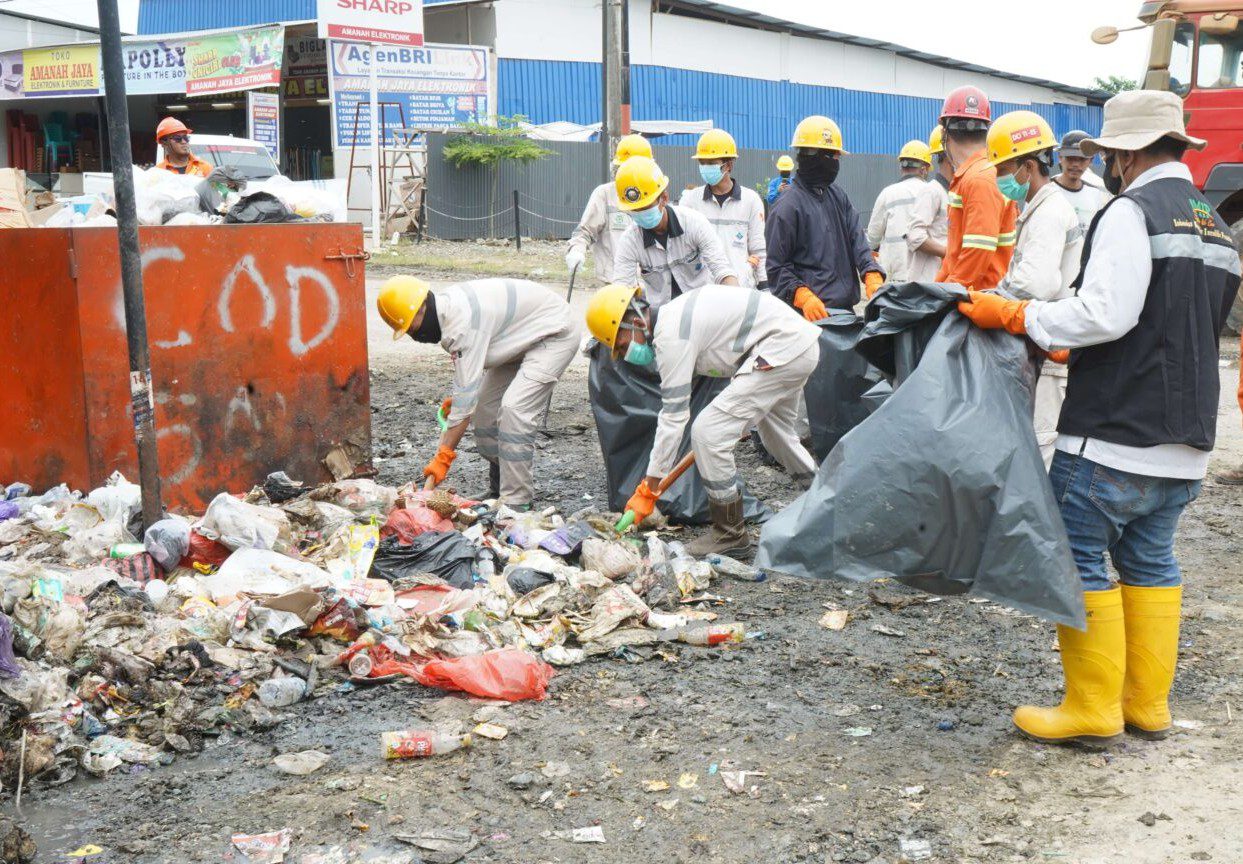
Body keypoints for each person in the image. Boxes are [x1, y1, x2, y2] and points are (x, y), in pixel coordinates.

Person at [958, 90, 1241, 747]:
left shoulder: (1131, 211)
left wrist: (1022, 317)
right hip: (1187, 439)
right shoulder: (1214, 226)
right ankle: (1146, 706)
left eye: (1110, 155)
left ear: (1123, 154)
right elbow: (1180, 325)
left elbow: (1105, 314)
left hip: (1114, 431)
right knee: (1148, 560)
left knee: (1078, 556)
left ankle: (1090, 708)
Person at [586, 282, 821, 554]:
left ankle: (729, 533)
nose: (626, 354)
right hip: (795, 346)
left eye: (623, 344)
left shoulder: (671, 336)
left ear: (637, 322)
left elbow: (673, 418)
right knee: (777, 437)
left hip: (779, 349)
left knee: (708, 433)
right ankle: (825, 501)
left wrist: (648, 488)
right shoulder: (675, 318)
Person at [375, 275, 581, 508]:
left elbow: (463, 411)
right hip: (519, 337)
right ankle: (499, 487)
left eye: (411, 328)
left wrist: (442, 458)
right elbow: (468, 392)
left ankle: (516, 501)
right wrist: (466, 394)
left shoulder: (460, 326)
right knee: (485, 414)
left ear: (422, 307)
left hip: (554, 332)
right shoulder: (447, 313)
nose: (414, 336)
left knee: (514, 410)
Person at [987, 110, 1085, 469]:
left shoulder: (1049, 212)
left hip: (1054, 348)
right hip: (1046, 342)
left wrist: (992, 301)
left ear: (1028, 167)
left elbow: (1037, 282)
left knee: (1042, 452)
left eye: (1003, 170)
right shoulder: (1037, 208)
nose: (1000, 179)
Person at [766, 115, 885, 319]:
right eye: (835, 157)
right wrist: (801, 295)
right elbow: (777, 267)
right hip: (807, 316)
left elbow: (857, 239)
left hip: (844, 314)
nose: (837, 163)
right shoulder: (787, 206)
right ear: (820, 156)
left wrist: (870, 271)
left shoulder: (838, 197)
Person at [613, 155, 739, 304]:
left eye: (645, 207)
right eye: (634, 210)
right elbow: (621, 289)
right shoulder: (630, 241)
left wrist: (736, 302)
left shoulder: (694, 223)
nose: (639, 214)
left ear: (664, 198)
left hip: (701, 309)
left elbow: (722, 270)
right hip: (660, 316)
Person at [935, 86, 1017, 291]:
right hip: (973, 298)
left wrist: (946, 297)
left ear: (944, 132)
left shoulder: (979, 177)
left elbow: (977, 253)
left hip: (979, 303)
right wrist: (936, 290)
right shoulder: (975, 174)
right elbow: (954, 255)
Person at [678, 129, 767, 290]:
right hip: (703, 292)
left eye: (712, 163)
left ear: (729, 165)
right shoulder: (690, 201)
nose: (705, 168)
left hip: (741, 290)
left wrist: (764, 286)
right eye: (702, 163)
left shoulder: (751, 200)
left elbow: (758, 250)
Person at [566, 134, 652, 283]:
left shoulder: (654, 195)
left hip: (649, 285)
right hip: (614, 284)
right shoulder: (605, 194)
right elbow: (585, 231)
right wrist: (577, 250)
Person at [866, 140, 932, 282]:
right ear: (924, 168)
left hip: (893, 278)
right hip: (927, 279)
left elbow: (872, 239)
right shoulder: (934, 193)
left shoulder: (887, 193)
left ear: (901, 166)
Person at [907, 126, 950, 282]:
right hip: (927, 281)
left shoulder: (952, 193)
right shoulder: (932, 191)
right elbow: (915, 236)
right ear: (947, 156)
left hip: (944, 280)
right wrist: (950, 253)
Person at [1052, 130, 1112, 232]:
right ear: (1060, 157)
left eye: (1082, 159)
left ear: (1091, 161)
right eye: (1070, 158)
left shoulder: (1098, 197)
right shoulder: (1047, 193)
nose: (1076, 164)